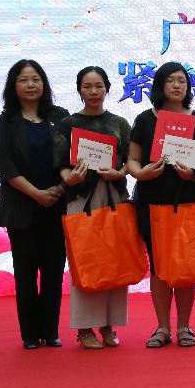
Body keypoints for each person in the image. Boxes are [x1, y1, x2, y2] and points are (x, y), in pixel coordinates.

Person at [127, 62, 195, 348]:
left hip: (189, 200)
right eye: (170, 80)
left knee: (187, 264)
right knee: (159, 266)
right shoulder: (145, 120)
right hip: (152, 202)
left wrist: (194, 173)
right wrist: (142, 173)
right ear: (160, 85)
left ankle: (184, 326)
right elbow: (132, 161)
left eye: (182, 81)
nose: (177, 85)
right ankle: (162, 327)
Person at [0, 59, 68, 349]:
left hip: (57, 206)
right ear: (13, 86)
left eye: (36, 79)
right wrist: (36, 193)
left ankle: (50, 331)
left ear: (44, 84)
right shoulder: (6, 121)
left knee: (53, 274)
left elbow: (73, 157)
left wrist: (60, 188)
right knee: (25, 275)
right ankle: (29, 334)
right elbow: (4, 165)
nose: (30, 85)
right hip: (21, 209)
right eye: (23, 80)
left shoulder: (60, 117)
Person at [56, 66, 132, 349]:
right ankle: (85, 328)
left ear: (107, 88)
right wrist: (70, 178)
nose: (93, 92)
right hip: (81, 199)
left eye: (99, 86)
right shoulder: (67, 124)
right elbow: (60, 164)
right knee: (85, 262)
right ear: (79, 90)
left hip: (114, 197)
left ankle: (108, 325)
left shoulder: (120, 123)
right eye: (87, 86)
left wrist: (120, 172)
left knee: (115, 261)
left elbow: (131, 160)